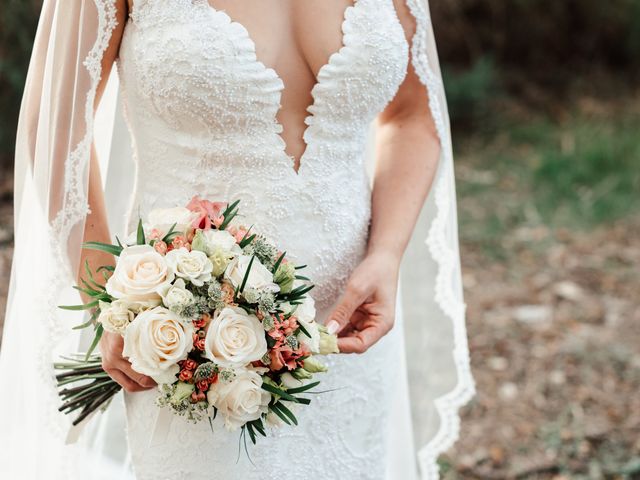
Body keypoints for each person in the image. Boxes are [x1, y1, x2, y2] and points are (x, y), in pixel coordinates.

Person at [0, 1, 474, 478]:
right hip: (189, 338)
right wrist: (111, 303)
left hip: (348, 327)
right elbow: (56, 124)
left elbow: (414, 113)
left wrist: (387, 254)